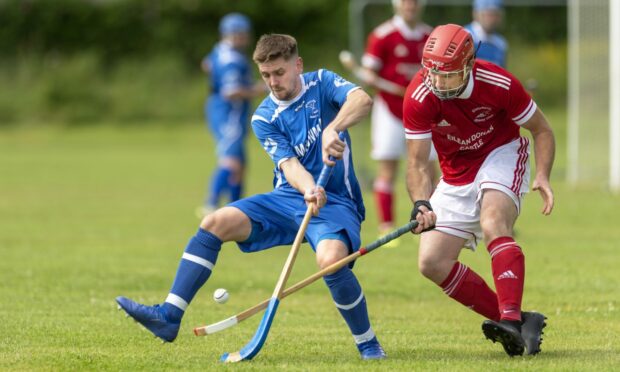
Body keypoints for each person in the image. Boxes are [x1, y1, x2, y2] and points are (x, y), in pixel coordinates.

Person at [116, 33, 387, 360]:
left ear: (297, 65)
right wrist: (308, 188)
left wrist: (334, 128)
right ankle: (169, 316)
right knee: (215, 221)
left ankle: (368, 343)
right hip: (289, 196)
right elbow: (288, 166)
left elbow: (363, 101)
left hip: (338, 201)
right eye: (265, 75)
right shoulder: (263, 117)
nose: (273, 82)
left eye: (279, 72)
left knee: (330, 262)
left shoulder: (322, 83)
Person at [403, 24, 554, 356]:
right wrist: (421, 202)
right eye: (433, 74)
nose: (439, 83)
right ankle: (516, 321)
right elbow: (416, 163)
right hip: (456, 172)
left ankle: (511, 320)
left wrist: (542, 175)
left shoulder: (499, 83)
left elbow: (541, 129)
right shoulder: (420, 95)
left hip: (501, 153)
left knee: (493, 221)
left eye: (448, 75)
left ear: (469, 64)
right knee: (432, 262)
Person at [359, 0, 437, 241]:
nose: (410, 7)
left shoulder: (430, 36)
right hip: (390, 111)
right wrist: (389, 86)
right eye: (405, 2)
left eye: (414, 3)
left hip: (424, 112)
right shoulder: (383, 35)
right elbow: (368, 74)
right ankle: (386, 225)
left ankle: (433, 222)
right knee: (388, 169)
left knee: (430, 169)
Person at [197, 13, 267, 218]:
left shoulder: (220, 50)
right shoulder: (232, 60)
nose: (246, 38)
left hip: (223, 110)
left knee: (240, 164)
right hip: (229, 114)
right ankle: (210, 204)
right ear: (234, 34)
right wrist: (258, 89)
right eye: (243, 34)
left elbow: (206, 64)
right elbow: (231, 90)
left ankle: (236, 208)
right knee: (231, 162)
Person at [464, 0, 508, 67]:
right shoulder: (464, 37)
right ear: (475, 13)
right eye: (487, 14)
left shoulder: (501, 44)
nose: (491, 19)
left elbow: (501, 73)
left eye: (495, 14)